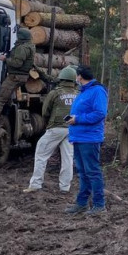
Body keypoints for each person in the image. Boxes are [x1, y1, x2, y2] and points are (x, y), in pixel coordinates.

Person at [23, 66, 79, 194]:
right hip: (72, 130)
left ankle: (35, 184)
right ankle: (65, 187)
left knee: (41, 154)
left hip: (56, 128)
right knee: (68, 159)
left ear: (61, 79)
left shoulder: (55, 93)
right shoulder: (78, 94)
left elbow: (45, 111)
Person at [64, 66, 109, 216]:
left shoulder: (97, 91)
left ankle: (99, 205)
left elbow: (100, 113)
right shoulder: (84, 92)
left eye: (77, 76)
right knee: (83, 172)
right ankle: (82, 203)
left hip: (89, 138)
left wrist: (78, 119)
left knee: (92, 172)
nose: (76, 79)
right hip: (79, 137)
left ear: (80, 77)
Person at [0, 27, 35, 129]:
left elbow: (17, 63)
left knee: (0, 99)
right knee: (7, 97)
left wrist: (5, 59)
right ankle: (5, 114)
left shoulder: (22, 48)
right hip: (21, 76)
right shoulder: (29, 46)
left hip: (15, 76)